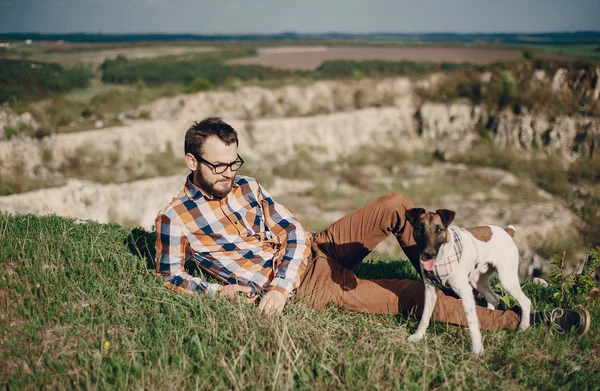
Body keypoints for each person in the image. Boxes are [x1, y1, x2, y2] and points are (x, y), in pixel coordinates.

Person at [155, 117, 591, 335]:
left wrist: (279, 285)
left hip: (314, 250)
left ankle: (454, 267)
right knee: (410, 296)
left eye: (235, 163)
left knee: (396, 205)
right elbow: (170, 277)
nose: (229, 173)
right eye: (219, 166)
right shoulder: (175, 219)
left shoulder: (247, 185)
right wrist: (219, 291)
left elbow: (290, 230)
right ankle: (522, 320)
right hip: (310, 289)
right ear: (192, 161)